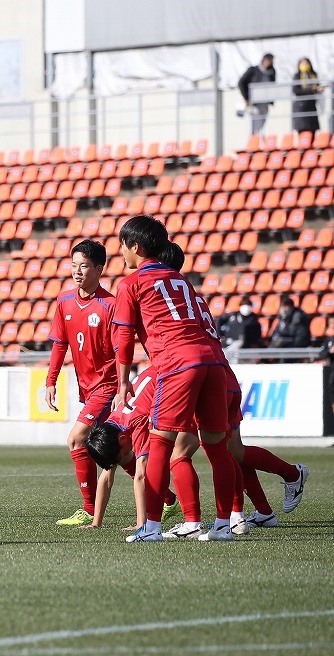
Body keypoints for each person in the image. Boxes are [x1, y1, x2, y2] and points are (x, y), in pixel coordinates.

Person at [160, 242, 308, 533]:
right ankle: (262, 507)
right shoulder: (192, 296)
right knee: (232, 451)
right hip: (221, 373)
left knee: (182, 454)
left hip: (196, 376)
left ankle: (205, 520)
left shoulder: (165, 299)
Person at [112, 215, 235, 542]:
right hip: (211, 361)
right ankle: (223, 526)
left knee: (160, 444)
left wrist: (123, 383)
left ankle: (150, 527)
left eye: (122, 245)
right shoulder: (180, 279)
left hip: (177, 362)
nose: (120, 252)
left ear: (135, 247)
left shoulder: (131, 283)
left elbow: (123, 337)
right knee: (217, 447)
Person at [43, 239, 117, 526]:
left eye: (83, 266)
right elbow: (60, 344)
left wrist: (122, 386)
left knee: (76, 439)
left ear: (99, 269)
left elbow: (121, 350)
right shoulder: (64, 301)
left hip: (107, 386)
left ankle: (88, 509)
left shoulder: (110, 305)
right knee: (116, 451)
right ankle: (168, 501)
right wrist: (51, 381)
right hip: (88, 388)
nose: (77, 271)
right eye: (73, 265)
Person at [83, 366, 182, 533]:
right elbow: (106, 475)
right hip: (161, 374)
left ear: (122, 439)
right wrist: (96, 522)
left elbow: (141, 475)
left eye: (121, 453)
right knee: (126, 459)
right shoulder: (112, 424)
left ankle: (207, 517)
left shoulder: (136, 422)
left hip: (175, 376)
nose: (122, 457)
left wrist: (140, 524)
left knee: (182, 453)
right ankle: (171, 501)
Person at [238, 53, 276, 135]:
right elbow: (241, 83)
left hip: (265, 102)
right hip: (255, 103)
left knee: (262, 125)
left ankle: (259, 142)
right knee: (255, 125)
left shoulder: (272, 72)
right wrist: (246, 97)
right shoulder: (253, 70)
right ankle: (253, 142)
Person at [218, 296, 262, 360]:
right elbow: (219, 320)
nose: (246, 307)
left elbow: (257, 335)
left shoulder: (254, 319)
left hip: (246, 345)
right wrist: (220, 335)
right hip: (229, 341)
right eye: (244, 305)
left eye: (248, 305)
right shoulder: (233, 315)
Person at [292, 57, 324, 135]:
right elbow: (296, 90)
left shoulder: (313, 74)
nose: (305, 65)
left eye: (306, 63)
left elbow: (317, 85)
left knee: (312, 129)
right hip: (301, 106)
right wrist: (309, 89)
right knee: (302, 130)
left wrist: (318, 89)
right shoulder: (297, 76)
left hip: (311, 104)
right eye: (302, 63)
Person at [319, 316, 334, 417]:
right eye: (331, 322)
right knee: (333, 393)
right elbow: (321, 354)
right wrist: (330, 351)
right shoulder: (330, 340)